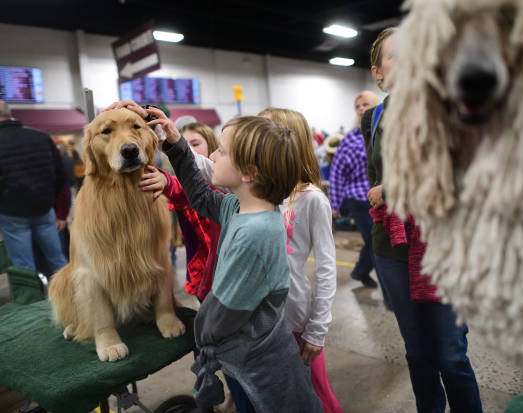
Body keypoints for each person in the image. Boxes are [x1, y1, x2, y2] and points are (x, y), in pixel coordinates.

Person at [108, 100, 323, 413]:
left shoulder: (255, 235)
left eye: (221, 151)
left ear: (249, 172)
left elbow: (224, 310)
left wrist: (200, 334)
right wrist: (176, 143)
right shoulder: (242, 208)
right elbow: (202, 197)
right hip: (246, 354)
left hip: (259, 365)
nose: (211, 157)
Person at [362, 28, 483, 413]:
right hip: (392, 246)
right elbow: (375, 179)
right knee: (418, 353)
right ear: (378, 72)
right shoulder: (375, 117)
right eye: (396, 55)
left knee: (450, 353)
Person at [259, 108, 343, 413]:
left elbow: (326, 268)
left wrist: (317, 328)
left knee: (315, 394)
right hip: (260, 321)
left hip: (295, 317)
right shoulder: (254, 193)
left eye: (262, 131)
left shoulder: (311, 199)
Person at [140, 122, 222, 301]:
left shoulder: (223, 185)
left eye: (195, 144)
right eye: (184, 144)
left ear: (212, 146)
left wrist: (167, 181)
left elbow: (190, 186)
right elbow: (181, 186)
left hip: (224, 270)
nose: (188, 149)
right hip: (202, 271)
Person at [328, 91, 387, 298]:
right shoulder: (350, 140)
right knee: (376, 244)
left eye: (366, 104)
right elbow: (337, 173)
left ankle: (360, 271)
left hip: (385, 197)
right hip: (359, 200)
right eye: (357, 106)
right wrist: (334, 205)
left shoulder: (386, 132)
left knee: (377, 242)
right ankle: (389, 296)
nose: (361, 108)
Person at [0, 100, 68, 273]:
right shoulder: (41, 137)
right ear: (10, 113)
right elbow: (60, 175)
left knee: (24, 267)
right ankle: (72, 298)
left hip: (11, 213)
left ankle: (32, 300)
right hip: (44, 209)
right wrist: (49, 200)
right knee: (57, 259)